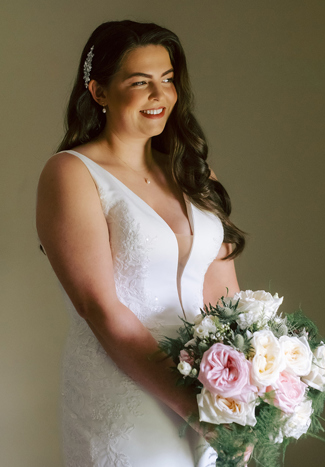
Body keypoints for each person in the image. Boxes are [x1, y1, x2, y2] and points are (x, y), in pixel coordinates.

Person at [36, 20, 246, 466]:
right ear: (99, 92)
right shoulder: (71, 174)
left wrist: (242, 386)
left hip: (211, 381)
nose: (160, 95)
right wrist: (193, 405)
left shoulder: (194, 173)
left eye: (168, 80)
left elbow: (226, 296)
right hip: (123, 386)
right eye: (140, 82)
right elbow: (100, 307)